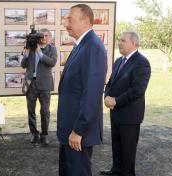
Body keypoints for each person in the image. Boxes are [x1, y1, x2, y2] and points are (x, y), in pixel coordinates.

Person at [57, 4, 107, 176]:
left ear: (85, 22)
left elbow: (92, 94)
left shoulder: (93, 46)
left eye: (70, 19)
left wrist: (79, 130)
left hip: (77, 132)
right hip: (70, 128)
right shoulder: (81, 44)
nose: (66, 23)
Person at [101, 32, 151, 176]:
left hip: (130, 114)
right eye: (119, 40)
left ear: (134, 43)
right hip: (115, 111)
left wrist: (116, 101)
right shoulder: (118, 61)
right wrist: (107, 97)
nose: (120, 43)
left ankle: (127, 173)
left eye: (123, 40)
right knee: (116, 145)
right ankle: (116, 170)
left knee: (128, 149)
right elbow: (110, 83)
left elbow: (138, 90)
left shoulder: (142, 62)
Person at [21, 28, 57, 145]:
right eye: (42, 36)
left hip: (45, 85)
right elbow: (23, 65)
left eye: (47, 36)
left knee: (45, 111)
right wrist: (26, 53)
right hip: (31, 84)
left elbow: (52, 62)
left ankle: (45, 134)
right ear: (38, 37)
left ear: (49, 38)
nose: (44, 38)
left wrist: (39, 52)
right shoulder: (30, 49)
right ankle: (34, 133)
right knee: (31, 110)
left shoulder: (52, 49)